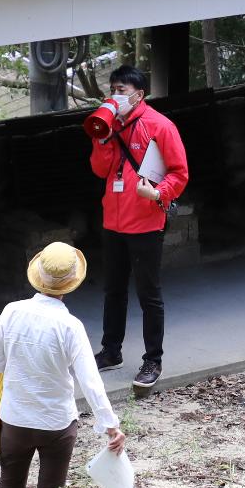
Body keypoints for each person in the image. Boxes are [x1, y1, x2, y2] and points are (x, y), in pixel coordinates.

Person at [0, 243, 127, 488]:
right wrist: (110, 426)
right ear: (71, 284)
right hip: (57, 425)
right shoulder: (70, 326)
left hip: (14, 420)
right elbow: (90, 382)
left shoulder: (11, 312)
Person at [86, 65, 189, 396]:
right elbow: (101, 169)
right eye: (113, 88)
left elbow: (179, 172)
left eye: (122, 90)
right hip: (113, 221)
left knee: (149, 294)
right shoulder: (110, 123)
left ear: (139, 94)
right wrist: (102, 139)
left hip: (145, 221)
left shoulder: (160, 126)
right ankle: (111, 350)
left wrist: (158, 193)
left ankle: (152, 360)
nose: (116, 95)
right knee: (113, 290)